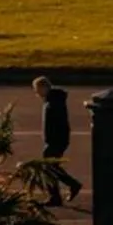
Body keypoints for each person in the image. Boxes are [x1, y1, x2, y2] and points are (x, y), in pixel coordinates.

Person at [32, 76, 84, 206]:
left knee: (49, 167)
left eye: (37, 89)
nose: (37, 93)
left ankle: (61, 193)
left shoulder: (54, 102)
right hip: (56, 140)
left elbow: (57, 123)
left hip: (55, 141)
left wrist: (51, 140)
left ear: (44, 87)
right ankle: (61, 193)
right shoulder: (53, 99)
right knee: (51, 167)